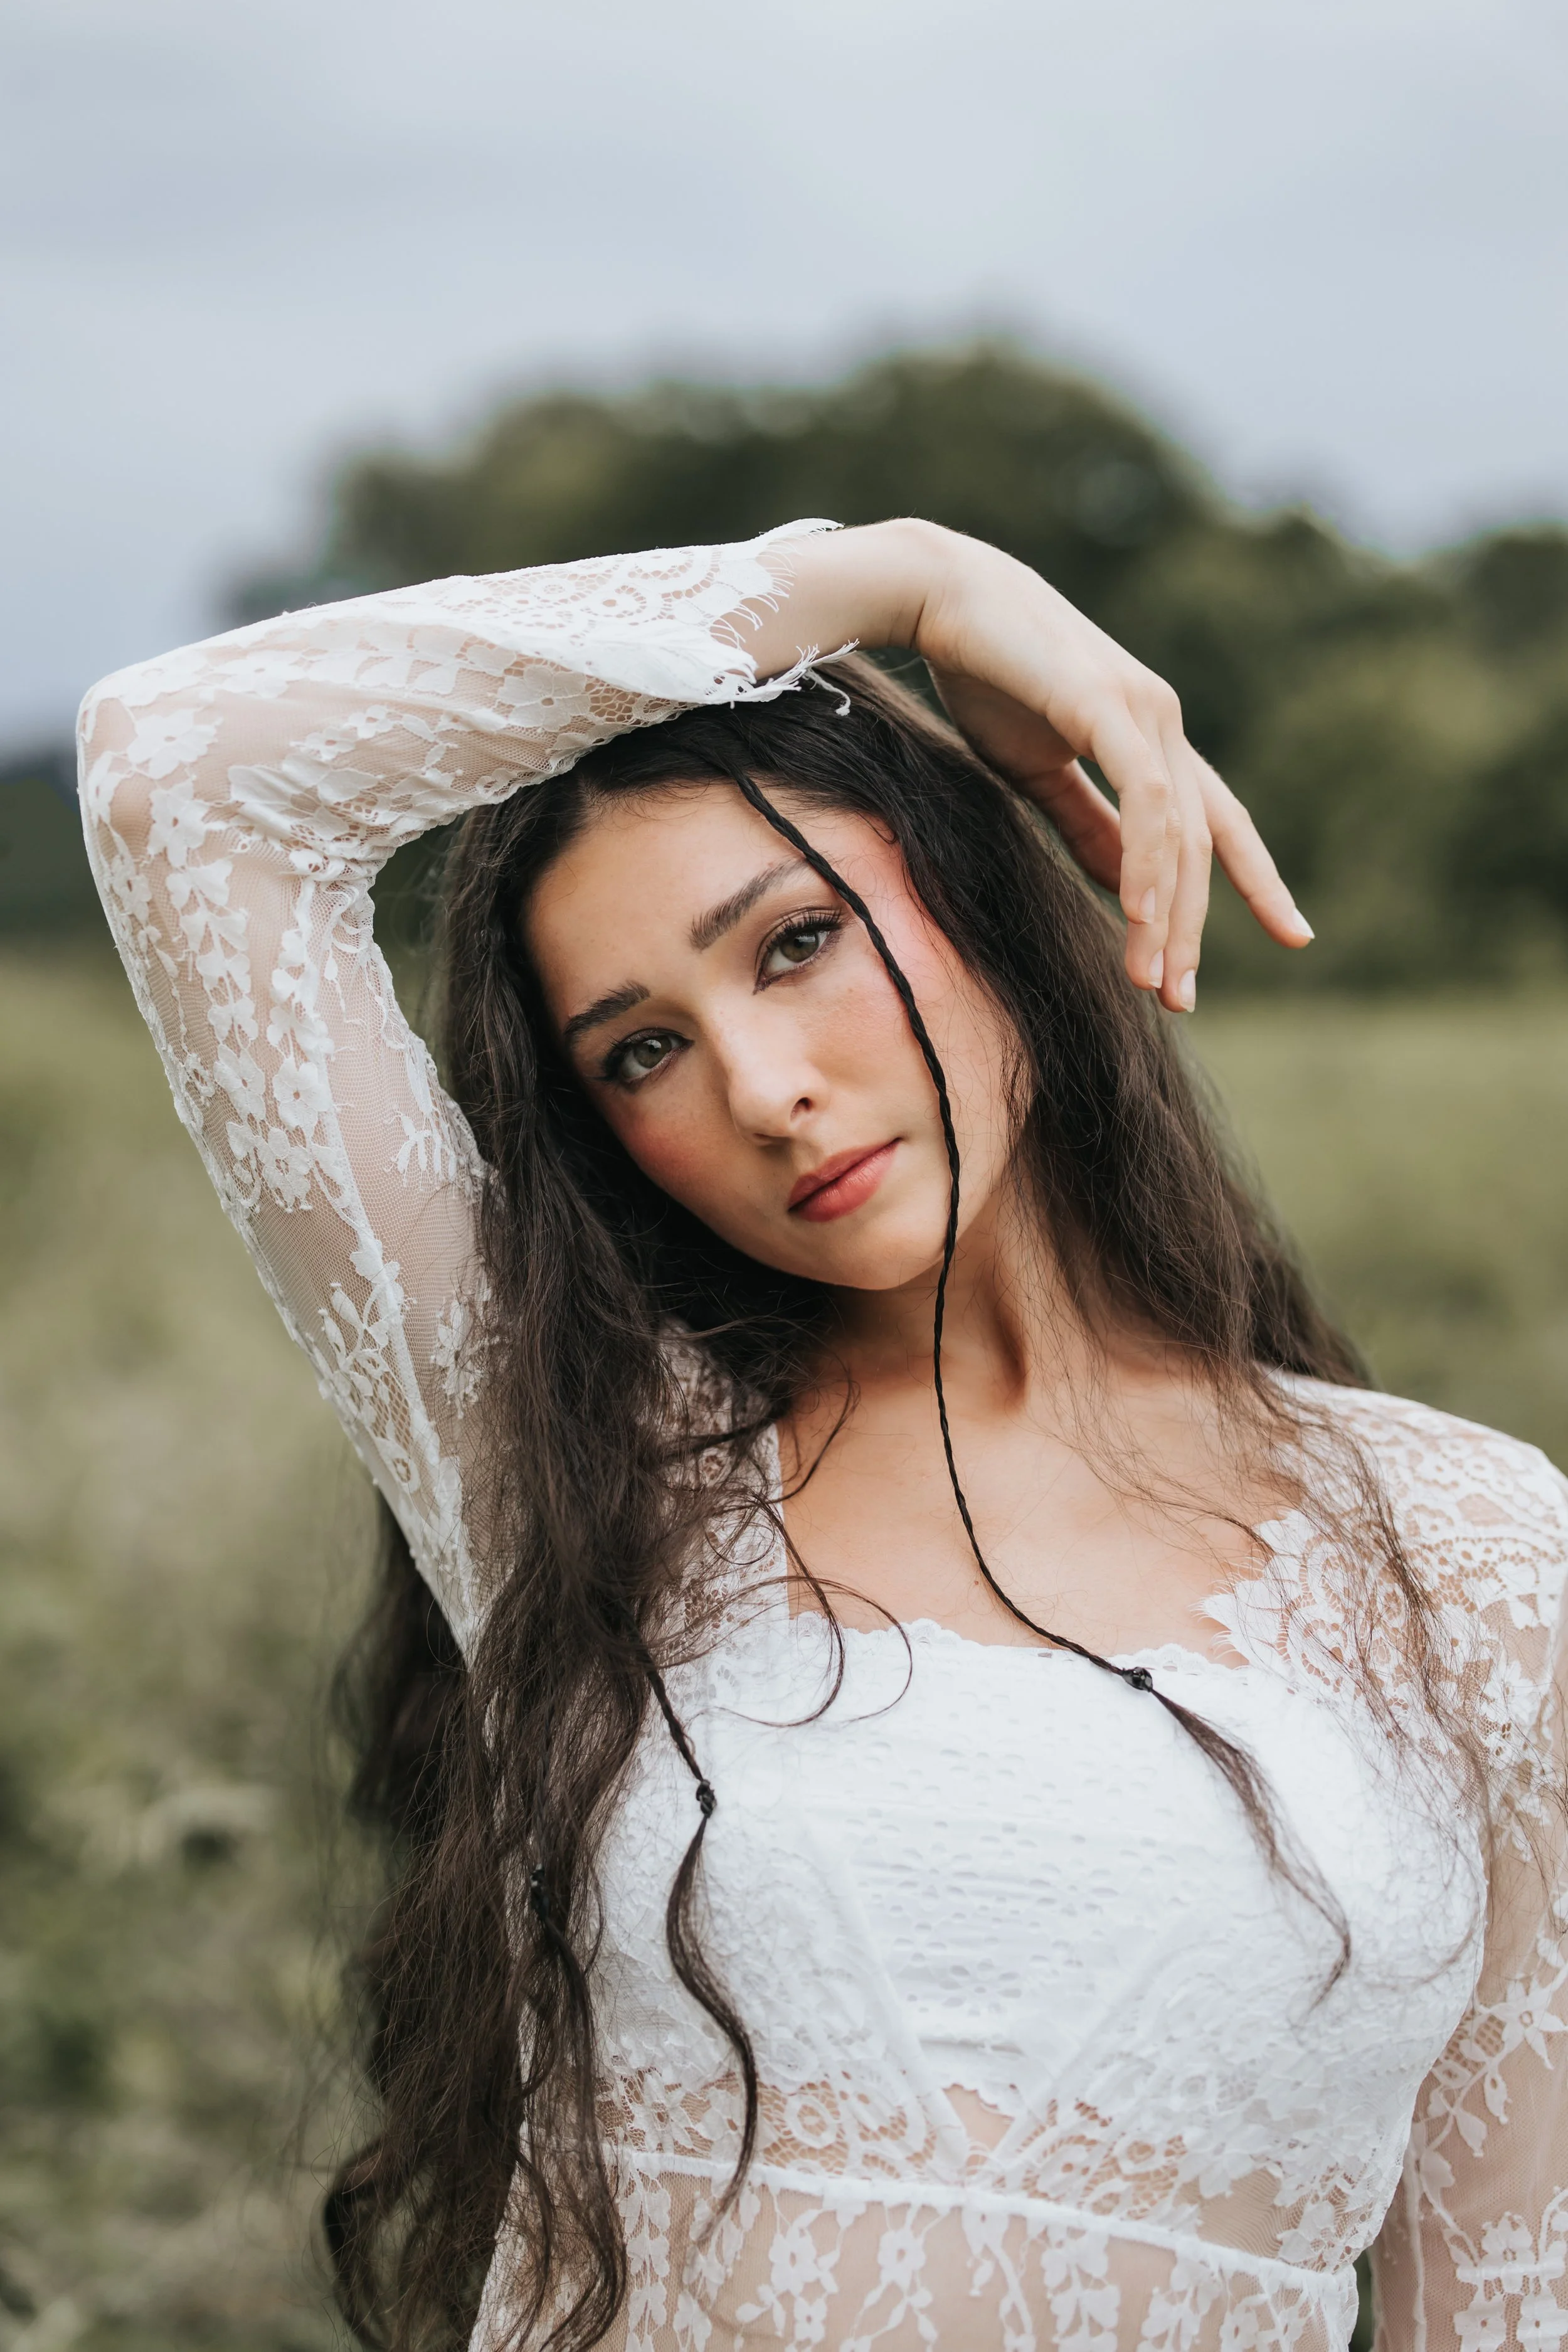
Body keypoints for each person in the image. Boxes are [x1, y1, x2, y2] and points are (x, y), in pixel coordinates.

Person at [78, 518, 1568, 2352]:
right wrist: (897, 576)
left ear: (983, 898)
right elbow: (179, 777)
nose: (762, 1090)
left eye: (794, 943)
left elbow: (1499, 2293)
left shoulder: (1470, 1555)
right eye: (638, 1051)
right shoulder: (588, 1478)